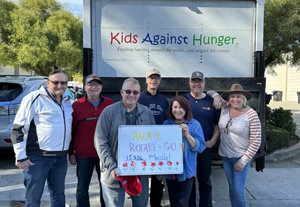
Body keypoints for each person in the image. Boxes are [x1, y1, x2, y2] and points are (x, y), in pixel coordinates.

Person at [11, 70, 73, 207]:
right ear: (48, 83)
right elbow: (18, 129)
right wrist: (21, 157)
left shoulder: (67, 101)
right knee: (33, 198)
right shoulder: (34, 98)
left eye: (63, 82)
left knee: (58, 195)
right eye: (55, 82)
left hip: (60, 158)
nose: (59, 85)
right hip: (37, 158)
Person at [94, 77, 156, 207]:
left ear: (140, 94)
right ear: (121, 92)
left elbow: (153, 141)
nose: (131, 95)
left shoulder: (147, 113)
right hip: (114, 174)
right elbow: (100, 141)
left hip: (140, 174)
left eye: (135, 92)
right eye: (128, 91)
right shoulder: (108, 112)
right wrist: (111, 166)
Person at [209, 84, 261, 207]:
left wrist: (243, 161)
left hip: (240, 157)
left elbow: (256, 140)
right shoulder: (225, 107)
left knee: (238, 190)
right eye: (232, 97)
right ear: (229, 99)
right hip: (225, 156)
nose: (235, 99)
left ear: (244, 99)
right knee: (232, 188)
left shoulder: (251, 115)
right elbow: (210, 90)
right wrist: (216, 96)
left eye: (239, 97)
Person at [69, 74, 113, 207]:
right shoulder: (77, 105)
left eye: (97, 84)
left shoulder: (109, 104)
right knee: (82, 188)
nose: (94, 87)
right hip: (83, 154)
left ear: (101, 87)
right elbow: (72, 131)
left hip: (105, 154)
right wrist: (71, 152)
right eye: (90, 84)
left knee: (105, 186)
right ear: (85, 87)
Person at [184, 71, 220, 207]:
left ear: (204, 83)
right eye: (194, 81)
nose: (196, 84)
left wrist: (213, 140)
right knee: (189, 180)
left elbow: (218, 124)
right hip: (187, 149)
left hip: (204, 147)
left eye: (199, 81)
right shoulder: (184, 100)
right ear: (190, 83)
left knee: (205, 181)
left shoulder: (211, 101)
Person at [163, 96, 206, 207]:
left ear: (186, 109)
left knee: (182, 203)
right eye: (175, 107)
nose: (177, 110)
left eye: (181, 107)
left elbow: (201, 147)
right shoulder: (166, 124)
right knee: (173, 201)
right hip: (171, 171)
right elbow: (161, 147)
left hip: (187, 170)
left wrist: (187, 135)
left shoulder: (194, 125)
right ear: (171, 109)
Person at [138, 68, 169, 207]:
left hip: (159, 144)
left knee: (158, 178)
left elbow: (167, 121)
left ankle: (155, 204)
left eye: (156, 78)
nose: (154, 80)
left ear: (160, 81)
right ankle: (140, 203)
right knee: (141, 176)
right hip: (143, 142)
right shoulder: (139, 97)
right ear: (146, 80)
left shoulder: (163, 100)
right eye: (151, 78)